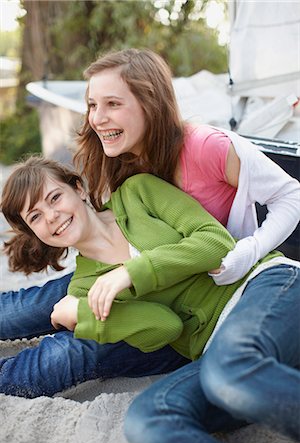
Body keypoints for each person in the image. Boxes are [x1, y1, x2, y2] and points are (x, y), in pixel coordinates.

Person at [0, 48, 299, 394]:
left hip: (218, 272)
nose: (97, 119)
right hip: (161, 293)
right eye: (93, 106)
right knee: (57, 305)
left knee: (72, 339)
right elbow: (158, 322)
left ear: (149, 102)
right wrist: (87, 306)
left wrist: (251, 249)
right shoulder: (120, 159)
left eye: (112, 104)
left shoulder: (198, 150)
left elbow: (280, 203)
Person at [1, 157, 299, 409]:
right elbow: (166, 327)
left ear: (77, 188)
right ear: (32, 230)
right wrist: (83, 313)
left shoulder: (137, 193)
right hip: (215, 339)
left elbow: (217, 244)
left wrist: (131, 273)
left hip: (262, 290)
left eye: (55, 198)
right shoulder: (83, 288)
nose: (52, 217)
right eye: (36, 216)